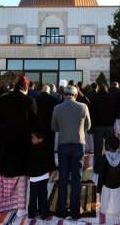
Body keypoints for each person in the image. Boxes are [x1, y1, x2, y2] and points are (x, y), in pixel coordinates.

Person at [0, 75, 36, 217]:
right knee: (21, 175)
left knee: (4, 176)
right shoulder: (29, 101)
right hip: (22, 145)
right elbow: (33, 124)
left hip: (6, 143)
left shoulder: (3, 100)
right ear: (26, 87)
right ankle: (20, 208)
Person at [51, 85, 91, 219]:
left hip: (63, 144)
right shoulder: (83, 107)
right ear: (76, 95)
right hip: (78, 144)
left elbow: (54, 127)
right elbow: (88, 126)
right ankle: (75, 211)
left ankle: (61, 210)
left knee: (62, 178)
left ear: (64, 95)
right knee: (76, 178)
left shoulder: (57, 108)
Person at [90, 84, 116, 175]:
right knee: (110, 148)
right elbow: (115, 111)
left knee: (98, 149)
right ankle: (109, 166)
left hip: (98, 126)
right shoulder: (111, 97)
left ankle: (97, 168)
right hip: (109, 125)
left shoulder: (94, 97)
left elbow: (91, 112)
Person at [97, 135, 120, 216]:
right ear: (118, 146)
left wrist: (99, 189)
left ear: (108, 146)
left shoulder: (104, 157)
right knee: (117, 202)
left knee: (105, 201)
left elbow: (101, 175)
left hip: (106, 185)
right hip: (117, 185)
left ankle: (105, 210)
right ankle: (116, 211)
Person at [28, 131, 52, 220]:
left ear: (40, 139)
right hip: (44, 176)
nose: (32, 140)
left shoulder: (32, 149)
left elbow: (29, 163)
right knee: (43, 195)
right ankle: (44, 213)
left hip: (34, 178)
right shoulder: (46, 148)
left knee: (33, 196)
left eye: (33, 138)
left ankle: (32, 214)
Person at [34, 85, 57, 172]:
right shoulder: (54, 100)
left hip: (38, 127)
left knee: (38, 147)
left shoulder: (35, 99)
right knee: (49, 148)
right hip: (49, 127)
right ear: (49, 91)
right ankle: (49, 165)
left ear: (41, 90)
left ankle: (39, 164)